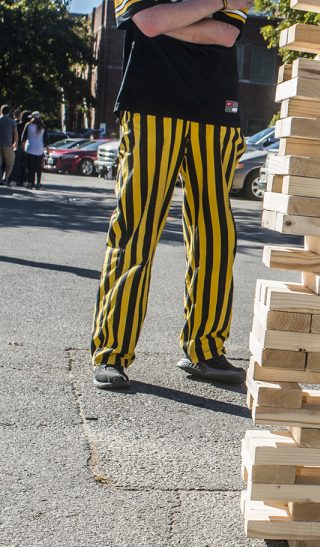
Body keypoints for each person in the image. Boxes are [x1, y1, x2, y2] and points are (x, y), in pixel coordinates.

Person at [91, 0, 252, 390]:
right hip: (149, 106)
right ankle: (112, 352)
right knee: (135, 231)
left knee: (215, 237)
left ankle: (205, 349)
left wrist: (169, 20)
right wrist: (217, 4)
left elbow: (225, 33)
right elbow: (146, 21)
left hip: (215, 113)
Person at [21, 112, 46, 190]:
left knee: (30, 167)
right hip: (40, 148)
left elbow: (23, 138)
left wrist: (23, 146)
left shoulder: (28, 125)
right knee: (38, 167)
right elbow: (46, 139)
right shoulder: (43, 127)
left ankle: (30, 183)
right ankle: (38, 183)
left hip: (30, 148)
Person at [0, 105, 16, 185]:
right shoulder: (11, 121)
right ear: (9, 112)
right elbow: (15, 133)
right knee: (10, 162)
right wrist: (15, 142)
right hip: (7, 144)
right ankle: (5, 179)